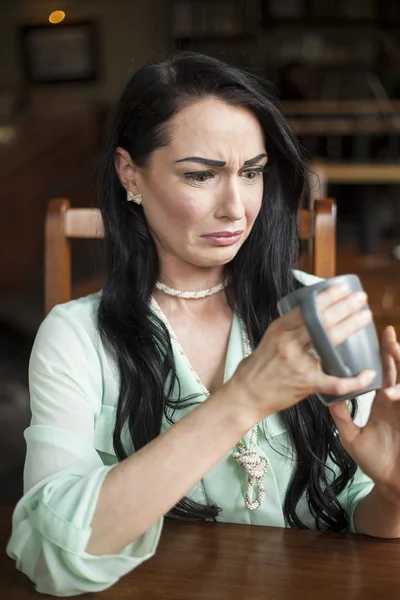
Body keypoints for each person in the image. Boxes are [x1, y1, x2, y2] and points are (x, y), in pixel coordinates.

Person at [7, 52, 400, 597]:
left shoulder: (317, 305)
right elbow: (52, 556)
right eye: (200, 175)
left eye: (252, 173)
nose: (236, 209)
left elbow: (359, 516)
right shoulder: (76, 336)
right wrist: (243, 399)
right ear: (130, 174)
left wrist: (394, 493)